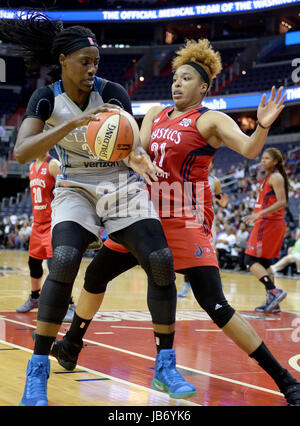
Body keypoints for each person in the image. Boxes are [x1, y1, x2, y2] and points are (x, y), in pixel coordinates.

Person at [50, 39, 300, 406]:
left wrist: (261, 127)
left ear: (204, 87)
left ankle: (285, 380)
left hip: (183, 219)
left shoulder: (210, 119)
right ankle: (72, 344)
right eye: (174, 78)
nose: (177, 84)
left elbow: (248, 149)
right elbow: (136, 151)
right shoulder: (154, 114)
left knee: (215, 304)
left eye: (186, 78)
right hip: (141, 217)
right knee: (95, 276)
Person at [3, 11, 195, 406]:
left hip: (119, 183)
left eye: (96, 62)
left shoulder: (113, 92)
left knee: (160, 259)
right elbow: (22, 152)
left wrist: (139, 157)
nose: (92, 69)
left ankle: (165, 364)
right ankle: (37, 371)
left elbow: (131, 146)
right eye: (84, 62)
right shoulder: (46, 98)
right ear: (63, 61)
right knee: (66, 258)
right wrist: (75, 125)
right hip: (75, 185)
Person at [15, 152, 76, 322]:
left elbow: (68, 188)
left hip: (51, 223)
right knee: (33, 264)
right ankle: (35, 298)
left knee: (56, 266)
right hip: (37, 223)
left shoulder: (53, 164)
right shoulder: (31, 166)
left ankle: (69, 304)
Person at [244, 148, 289, 313]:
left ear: (275, 161)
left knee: (249, 260)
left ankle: (273, 291)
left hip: (269, 223)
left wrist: (259, 214)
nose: (263, 160)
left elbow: (282, 202)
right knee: (263, 262)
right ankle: (274, 302)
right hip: (268, 223)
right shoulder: (268, 177)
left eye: (267, 158)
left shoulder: (276, 177)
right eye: (262, 158)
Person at [178, 158, 228, 297]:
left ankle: (216, 283)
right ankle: (186, 286)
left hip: (208, 219)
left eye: (211, 161)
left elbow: (220, 200)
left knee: (212, 251)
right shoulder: (190, 176)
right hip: (192, 217)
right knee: (190, 252)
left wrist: (223, 203)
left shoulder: (215, 181)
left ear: (212, 164)